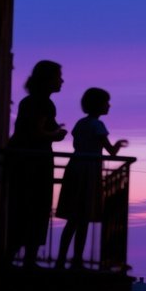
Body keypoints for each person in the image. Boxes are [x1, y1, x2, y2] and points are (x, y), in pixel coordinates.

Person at [55, 87, 128, 269]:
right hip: (89, 171)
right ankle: (77, 260)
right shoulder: (98, 125)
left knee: (73, 219)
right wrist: (119, 145)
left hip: (75, 168)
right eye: (106, 102)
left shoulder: (81, 123)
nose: (109, 106)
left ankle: (61, 259)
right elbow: (111, 151)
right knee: (84, 218)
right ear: (98, 105)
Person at [7, 61, 67, 268]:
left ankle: (14, 256)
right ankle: (27, 259)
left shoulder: (29, 101)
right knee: (35, 207)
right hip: (34, 162)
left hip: (23, 159)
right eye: (58, 77)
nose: (62, 81)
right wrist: (56, 134)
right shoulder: (43, 103)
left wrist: (54, 132)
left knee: (23, 207)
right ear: (47, 80)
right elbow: (37, 132)